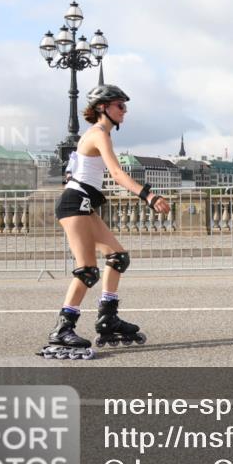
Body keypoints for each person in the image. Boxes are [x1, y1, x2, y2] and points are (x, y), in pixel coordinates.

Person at [39, 83, 171, 360]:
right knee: (87, 270)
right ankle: (63, 329)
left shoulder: (98, 135)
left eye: (125, 106)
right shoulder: (99, 134)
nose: (124, 110)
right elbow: (117, 173)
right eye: (120, 105)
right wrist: (148, 195)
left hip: (83, 204)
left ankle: (108, 318)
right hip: (75, 204)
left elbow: (74, 172)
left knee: (117, 257)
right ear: (103, 107)